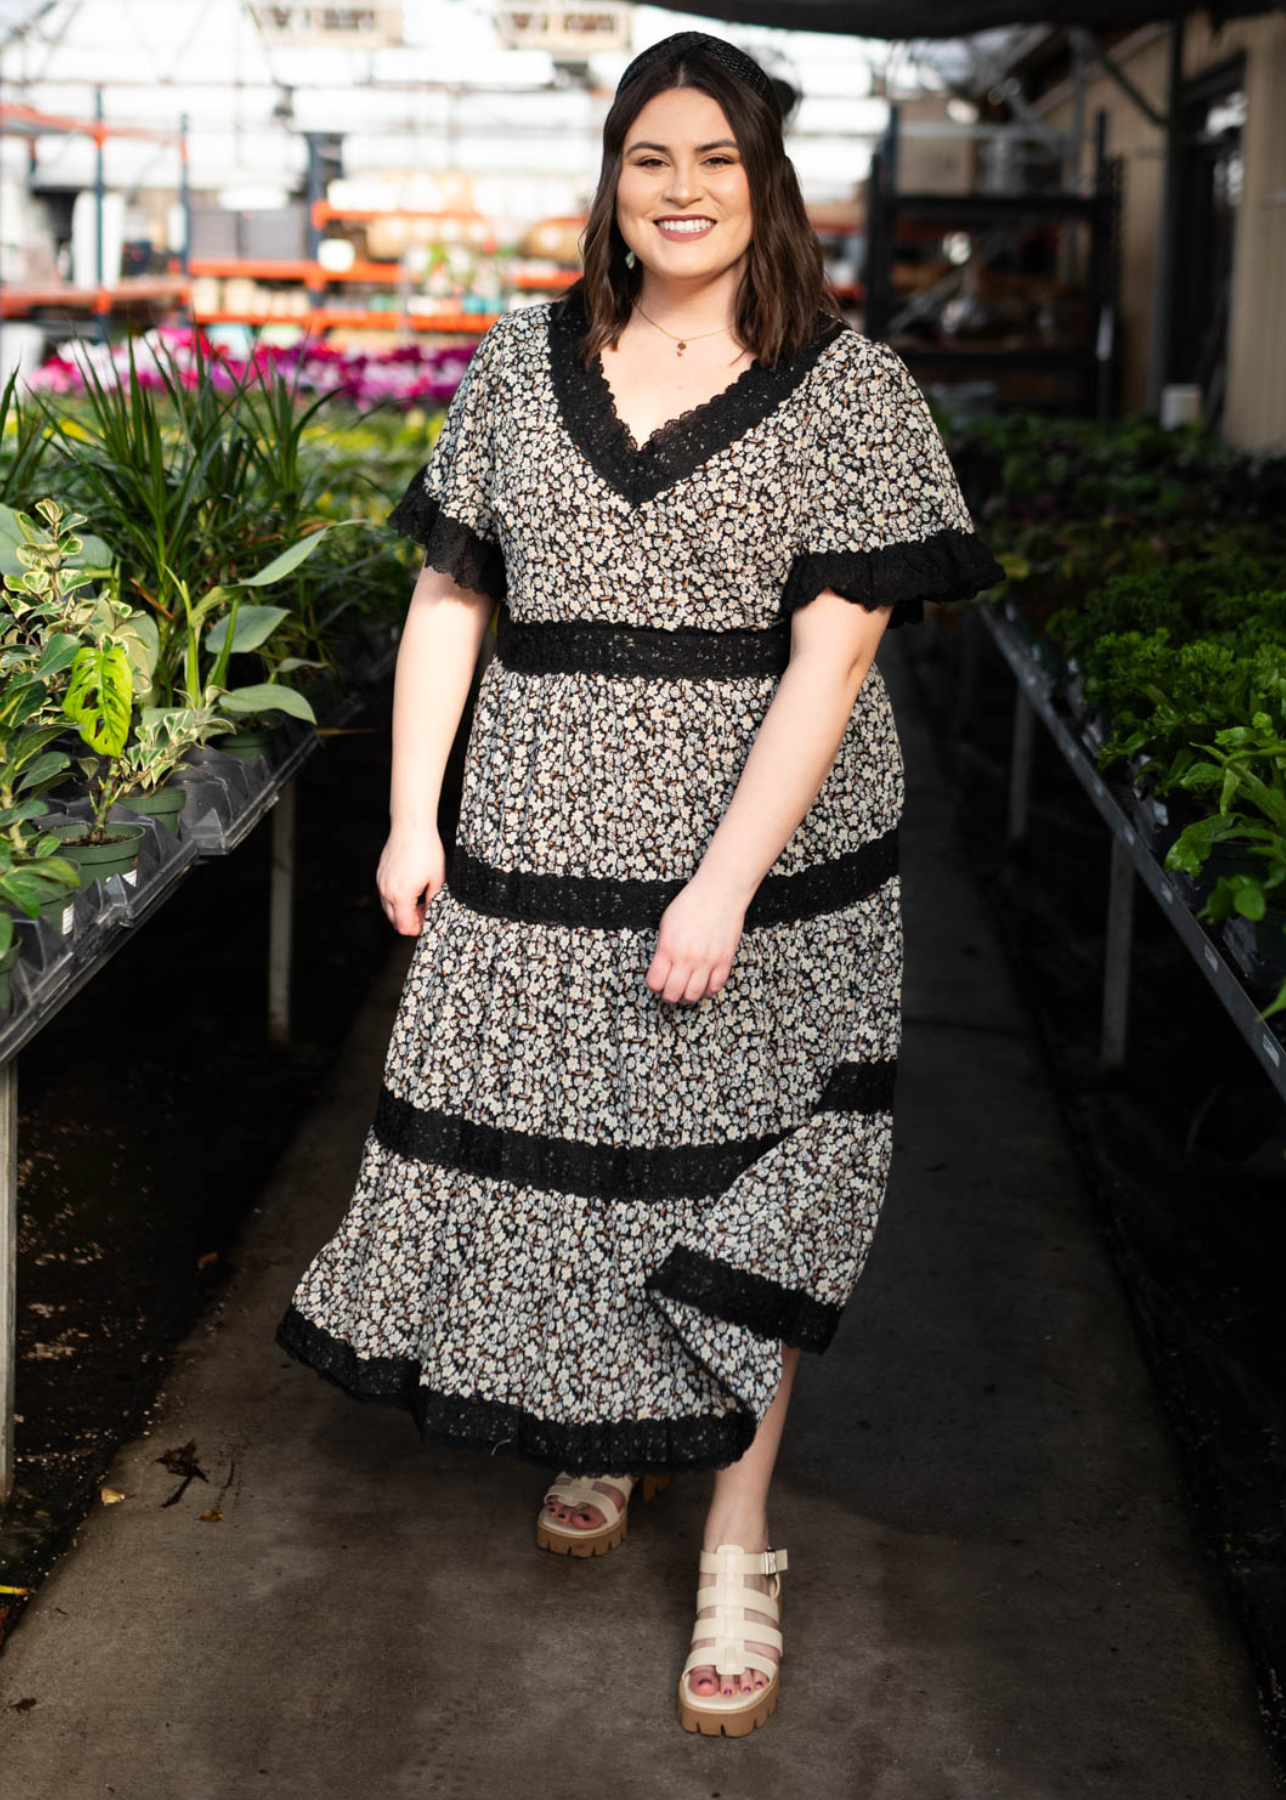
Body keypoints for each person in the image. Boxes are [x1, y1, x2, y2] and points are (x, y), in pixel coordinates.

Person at [275, 29, 1004, 1737]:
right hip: (536, 847)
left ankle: (737, 1533)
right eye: (649, 158)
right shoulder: (520, 368)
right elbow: (452, 601)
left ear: (765, 185)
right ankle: (616, 1428)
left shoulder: (851, 389)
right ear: (612, 180)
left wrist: (722, 887)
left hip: (769, 860)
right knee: (583, 1158)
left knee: (751, 1171)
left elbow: (831, 665)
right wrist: (409, 819)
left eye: (715, 161)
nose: (680, 192)